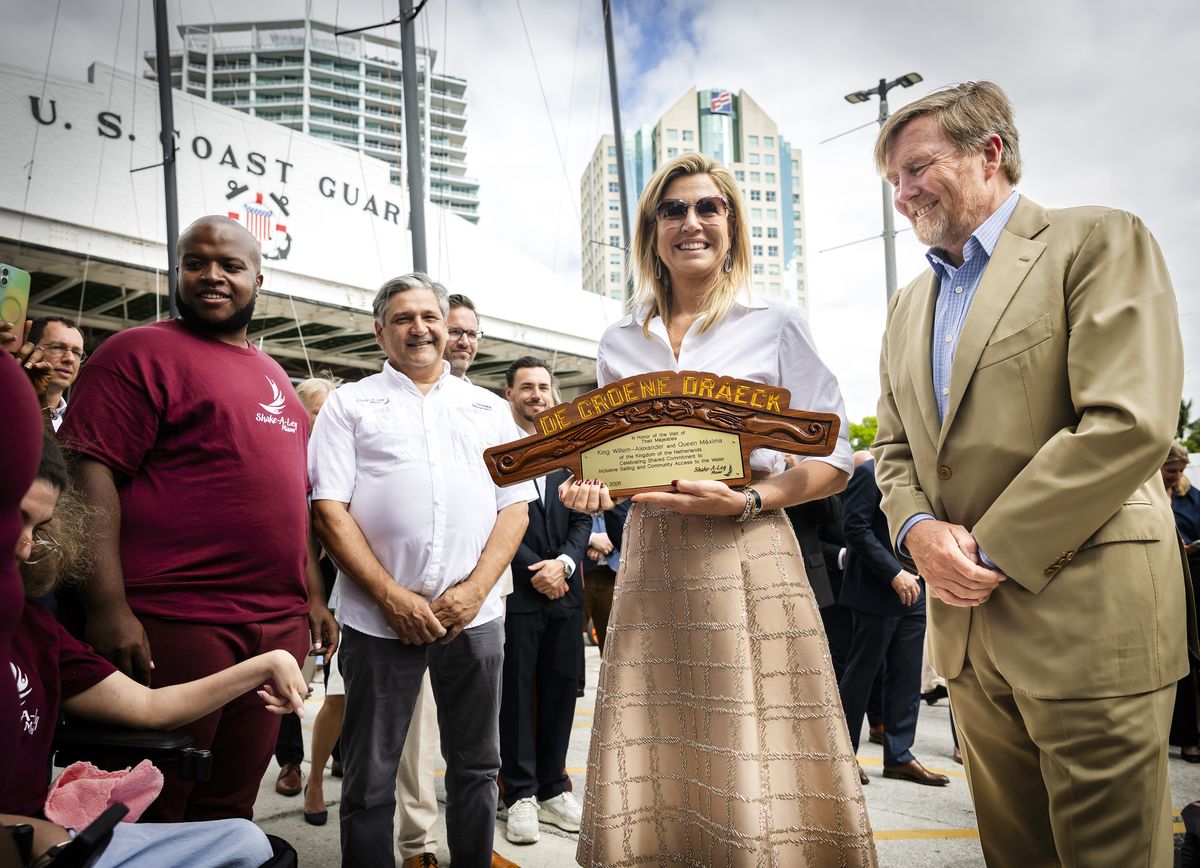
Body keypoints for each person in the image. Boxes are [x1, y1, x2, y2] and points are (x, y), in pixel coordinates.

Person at [872, 81, 1186, 867]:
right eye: (894, 184)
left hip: (1090, 623)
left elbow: (1128, 422)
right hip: (970, 640)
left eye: (916, 169)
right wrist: (914, 529)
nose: (904, 195)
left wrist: (978, 550)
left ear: (990, 151)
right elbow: (896, 450)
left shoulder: (1099, 240)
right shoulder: (908, 305)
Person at [563, 153, 874, 866]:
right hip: (653, 557)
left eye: (710, 208)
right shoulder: (619, 339)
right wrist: (592, 494)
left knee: (753, 739)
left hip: (748, 549)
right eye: (673, 209)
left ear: (732, 226)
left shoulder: (776, 323)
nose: (692, 222)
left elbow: (833, 459)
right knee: (659, 733)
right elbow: (614, 467)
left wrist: (755, 497)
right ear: (651, 230)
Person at [58, 215, 338, 822]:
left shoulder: (273, 376)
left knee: (231, 807)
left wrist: (310, 601)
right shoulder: (134, 353)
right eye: (195, 263)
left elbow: (291, 504)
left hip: (273, 632)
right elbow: (89, 477)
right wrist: (107, 605)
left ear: (257, 279)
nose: (212, 276)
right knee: (152, 807)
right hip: (175, 620)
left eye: (230, 265)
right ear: (177, 271)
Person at [309, 273, 534, 868]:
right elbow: (329, 510)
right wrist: (390, 597)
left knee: (478, 768)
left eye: (429, 316)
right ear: (380, 331)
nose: (420, 328)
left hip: (475, 617)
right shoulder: (349, 404)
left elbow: (514, 508)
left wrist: (477, 589)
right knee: (370, 776)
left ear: (446, 322)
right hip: (379, 620)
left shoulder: (489, 408)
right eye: (403, 318)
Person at [1, 434, 307, 868]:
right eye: (17, 519)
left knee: (248, 843)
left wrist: (267, 663)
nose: (27, 547)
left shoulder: (34, 626)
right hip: (25, 845)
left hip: (53, 846)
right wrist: (34, 838)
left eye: (39, 527)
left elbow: (149, 707)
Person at [498, 357, 591, 845]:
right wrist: (537, 569)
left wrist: (566, 565)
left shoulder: (566, 450)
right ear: (508, 392)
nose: (537, 394)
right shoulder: (495, 448)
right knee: (515, 696)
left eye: (544, 387)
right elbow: (495, 523)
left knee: (560, 690)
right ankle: (519, 794)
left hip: (566, 591)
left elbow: (582, 519)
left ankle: (554, 788)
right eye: (527, 387)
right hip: (519, 591)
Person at [838, 452, 946, 788]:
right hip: (874, 591)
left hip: (917, 589)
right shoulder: (869, 472)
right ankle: (842, 757)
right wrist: (893, 573)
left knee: (907, 677)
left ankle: (899, 756)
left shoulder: (927, 475)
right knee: (860, 679)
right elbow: (854, 528)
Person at [1164, 442, 1200, 762]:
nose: (1177, 476)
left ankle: (1189, 738)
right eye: (1170, 469)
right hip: (1155, 584)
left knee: (1188, 661)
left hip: (1190, 585)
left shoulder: (1192, 497)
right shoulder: (1137, 491)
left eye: (1180, 470)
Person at [28, 316, 85, 432]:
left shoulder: (79, 425)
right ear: (29, 349)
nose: (70, 359)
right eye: (58, 347)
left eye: (76, 353)